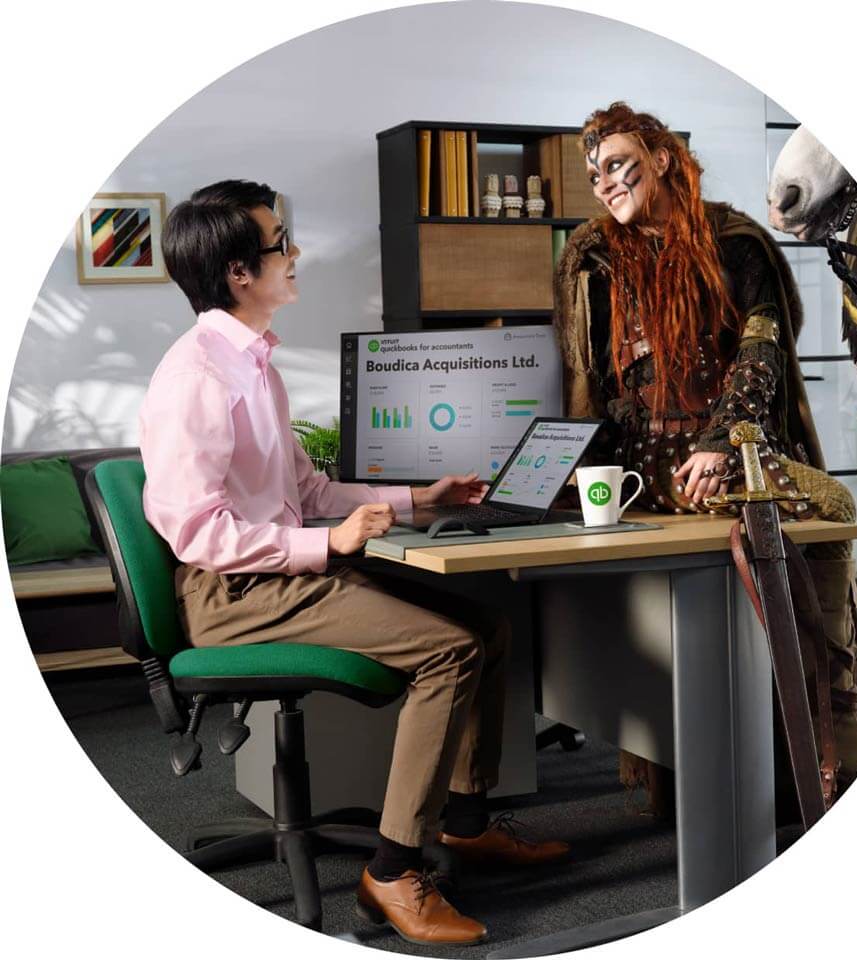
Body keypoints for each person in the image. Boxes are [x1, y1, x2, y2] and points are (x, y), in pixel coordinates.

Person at [141, 180, 568, 946]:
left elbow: (305, 488)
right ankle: (394, 871)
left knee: (486, 625)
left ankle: (465, 824)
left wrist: (416, 497)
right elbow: (197, 532)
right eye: (280, 242)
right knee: (449, 651)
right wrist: (327, 544)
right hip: (235, 590)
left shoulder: (250, 363)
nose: (294, 253)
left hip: (277, 572)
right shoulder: (196, 375)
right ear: (241, 272)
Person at [553, 103, 857, 805]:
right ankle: (832, 714)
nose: (604, 183)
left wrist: (721, 443)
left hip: (727, 455)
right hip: (645, 467)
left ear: (663, 158)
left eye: (616, 164)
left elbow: (759, 353)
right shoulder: (595, 258)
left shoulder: (736, 243)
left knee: (832, 501)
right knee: (833, 503)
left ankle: (835, 708)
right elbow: (600, 383)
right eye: (594, 174)